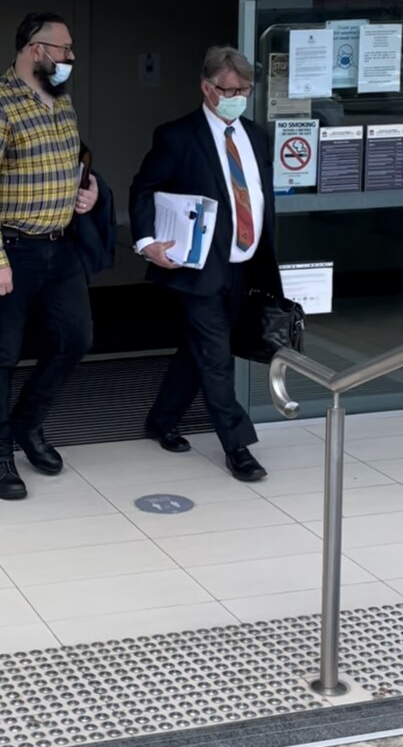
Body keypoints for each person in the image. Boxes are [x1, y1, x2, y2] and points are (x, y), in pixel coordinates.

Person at [129, 45, 282, 483]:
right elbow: (144, 188)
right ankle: (238, 448)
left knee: (198, 352)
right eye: (227, 89)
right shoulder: (178, 137)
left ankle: (161, 419)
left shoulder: (255, 136)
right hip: (199, 269)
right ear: (206, 87)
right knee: (217, 359)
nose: (235, 96)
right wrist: (146, 242)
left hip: (246, 265)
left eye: (244, 89)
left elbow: (259, 199)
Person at [0, 12, 98, 501]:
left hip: (59, 247)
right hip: (11, 248)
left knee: (75, 339)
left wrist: (89, 191)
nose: (70, 59)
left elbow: (74, 157)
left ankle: (28, 423)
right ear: (36, 49)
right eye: (64, 49)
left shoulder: (61, 103)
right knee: (0, 356)